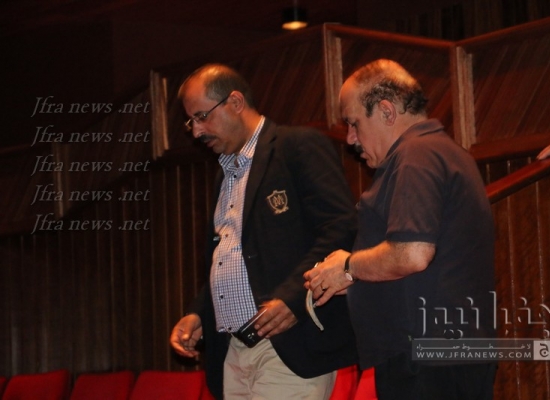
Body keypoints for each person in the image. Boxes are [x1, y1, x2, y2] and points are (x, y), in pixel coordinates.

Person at [304, 59, 497, 399]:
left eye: (353, 123)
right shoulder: (442, 152)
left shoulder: (416, 154)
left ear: (386, 111)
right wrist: (352, 277)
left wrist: (348, 267)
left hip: (426, 360)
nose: (350, 139)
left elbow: (412, 253)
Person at [169, 64, 358, 400]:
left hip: (287, 345)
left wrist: (295, 300)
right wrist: (199, 312)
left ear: (235, 102)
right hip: (233, 351)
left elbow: (341, 228)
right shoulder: (225, 173)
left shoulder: (296, 147)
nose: (196, 131)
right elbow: (230, 256)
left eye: (202, 117)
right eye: (191, 122)